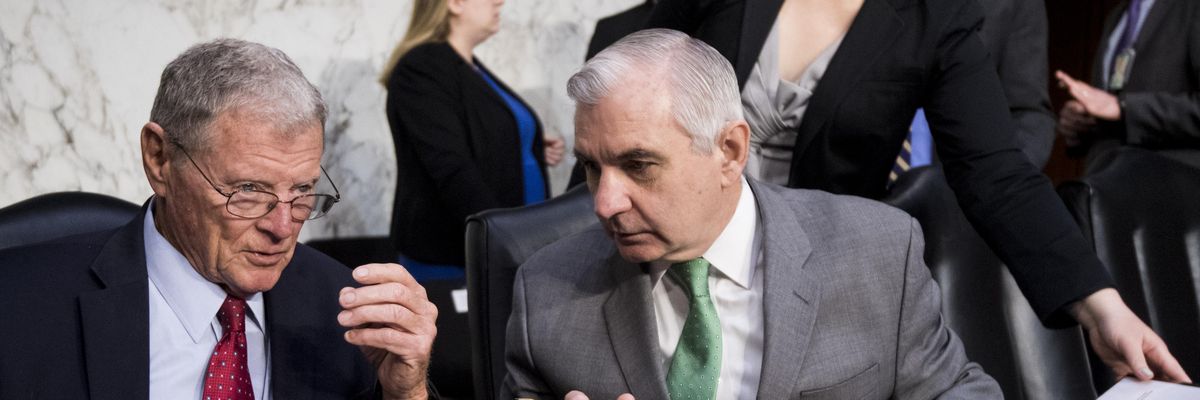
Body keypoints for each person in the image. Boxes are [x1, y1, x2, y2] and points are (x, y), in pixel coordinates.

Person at [646, 0, 1191, 383]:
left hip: (807, 283)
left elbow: (996, 171)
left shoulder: (937, 14)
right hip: (663, 253)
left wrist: (1102, 307)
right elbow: (630, 93)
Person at [504, 29, 1002, 399]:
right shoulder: (546, 292)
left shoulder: (877, 254)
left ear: (730, 149)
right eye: (592, 166)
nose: (603, 203)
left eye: (639, 165)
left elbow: (955, 390)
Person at [0, 39, 437, 399]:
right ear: (159, 160)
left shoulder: (346, 311)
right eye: (249, 190)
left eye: (302, 191)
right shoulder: (18, 305)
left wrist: (407, 392)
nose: (283, 228)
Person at [381, 0, 564, 271]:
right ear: (455, 4)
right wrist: (502, 240)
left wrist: (525, 144)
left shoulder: (468, 66)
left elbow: (472, 133)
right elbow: (449, 165)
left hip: (511, 248)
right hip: (459, 257)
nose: (499, 2)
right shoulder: (422, 67)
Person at [1055, 0, 1200, 170]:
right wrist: (1082, 123)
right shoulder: (1117, 16)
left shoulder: (1192, 7)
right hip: (1105, 181)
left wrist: (1124, 108)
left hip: (1169, 183)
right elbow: (1110, 110)